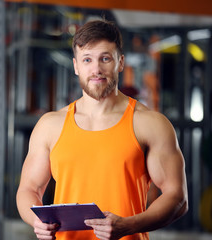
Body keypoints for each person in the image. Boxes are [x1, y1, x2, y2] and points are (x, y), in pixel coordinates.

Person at [16, 19, 188, 240]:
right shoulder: (50, 125)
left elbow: (177, 197)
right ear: (76, 66)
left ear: (120, 62)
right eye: (87, 59)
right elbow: (28, 189)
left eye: (105, 58)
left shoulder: (150, 123)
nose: (96, 69)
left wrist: (128, 225)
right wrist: (36, 221)